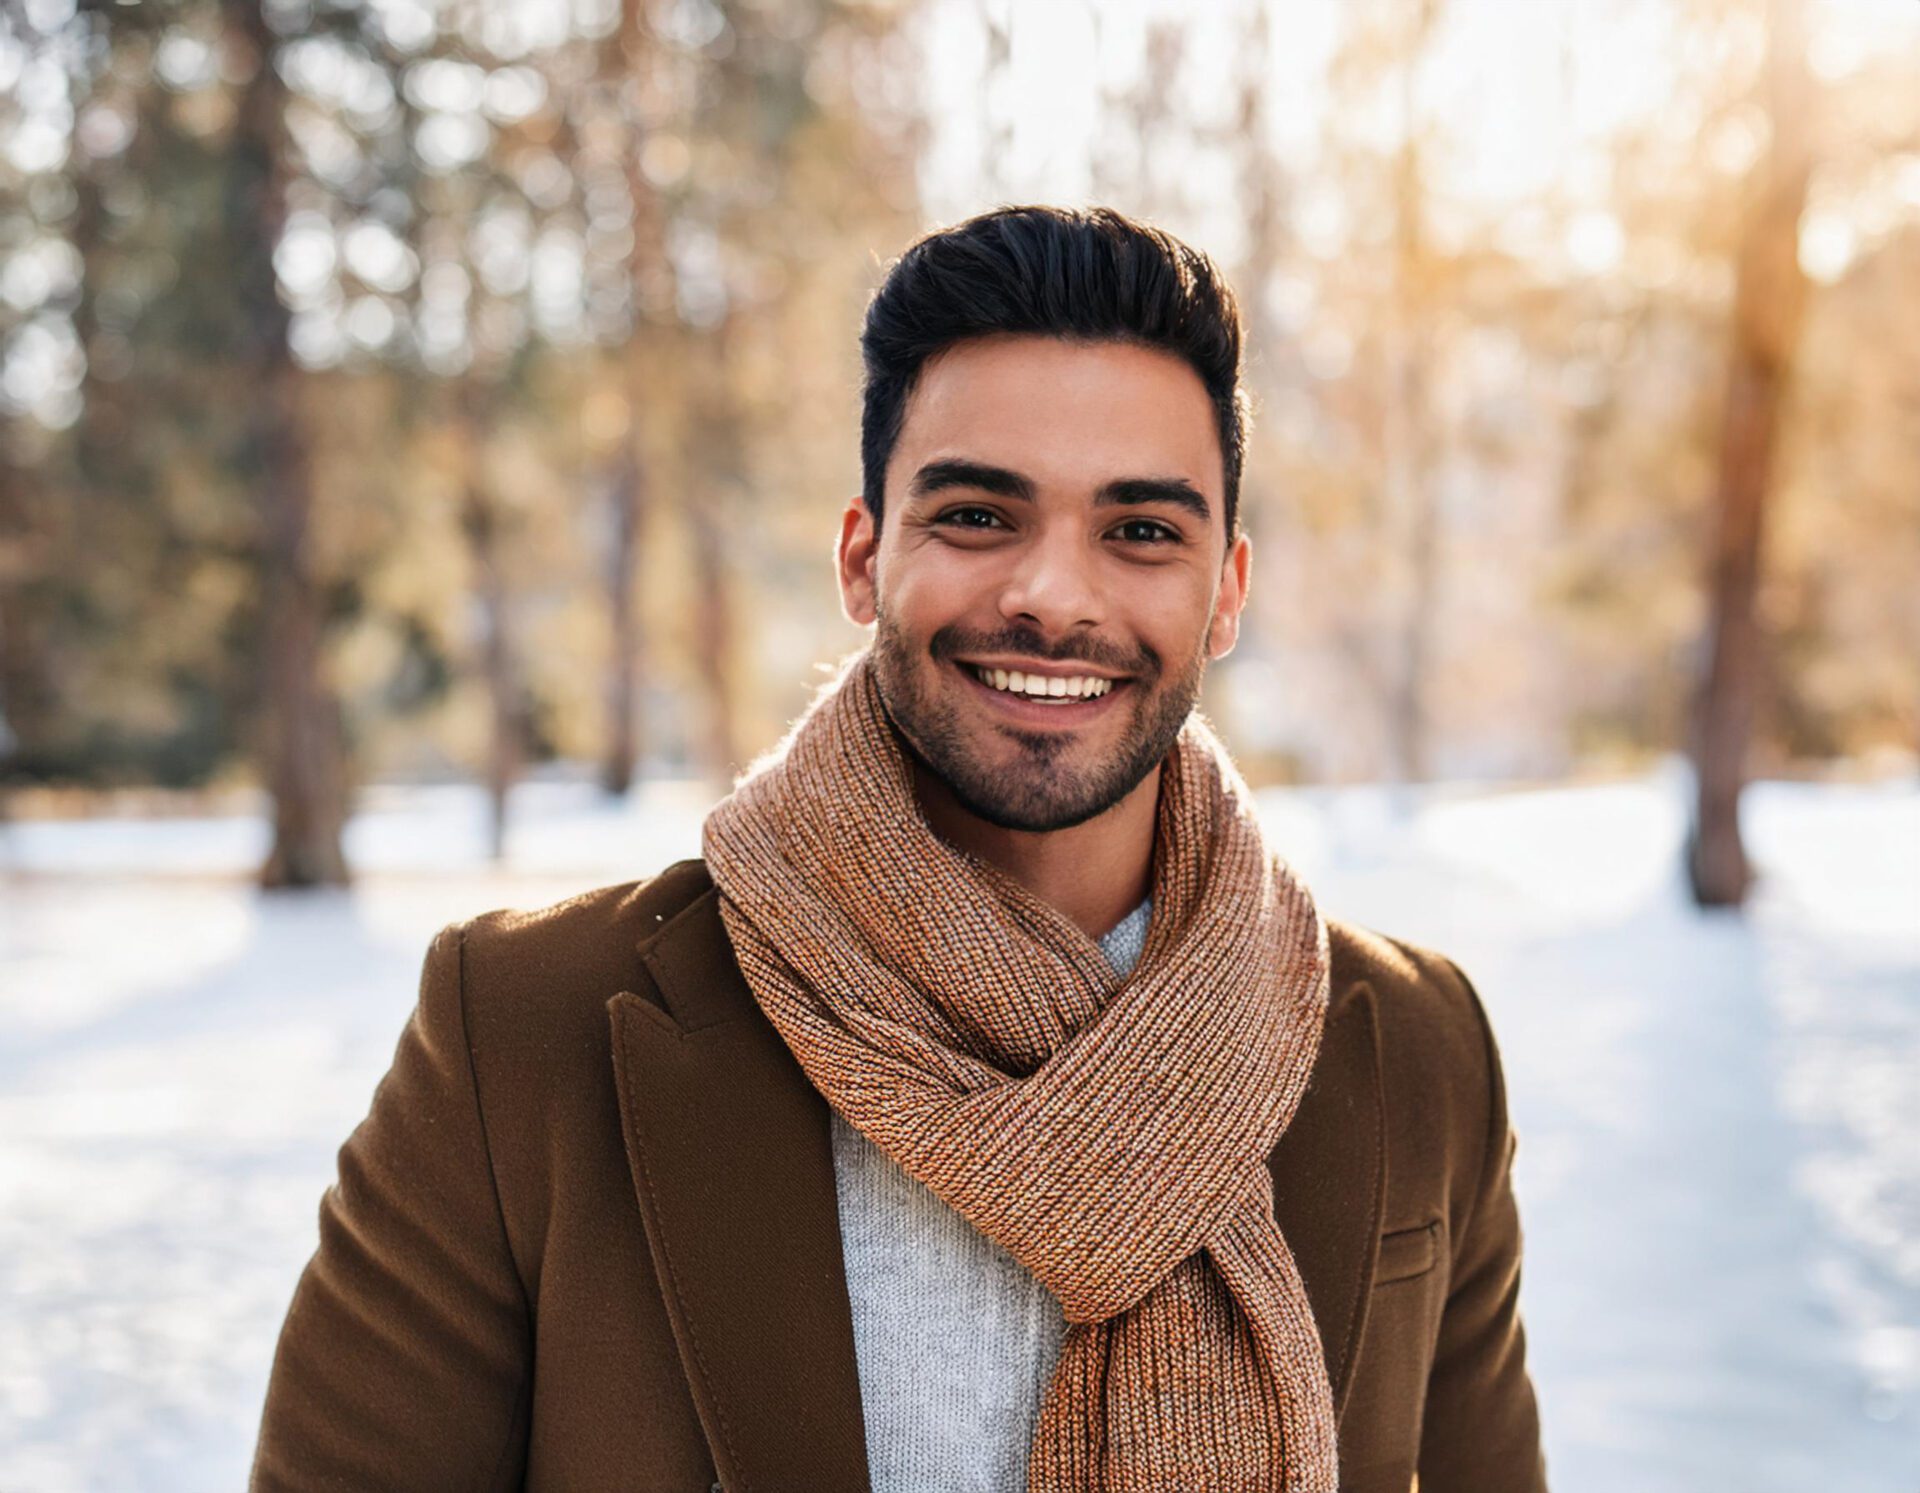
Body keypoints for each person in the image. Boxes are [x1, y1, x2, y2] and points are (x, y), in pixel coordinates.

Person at [251, 206, 1548, 1493]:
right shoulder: (528, 1034)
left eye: (1141, 530)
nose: (1054, 593)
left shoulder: (1419, 1049)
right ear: (865, 558)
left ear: (1227, 592)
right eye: (981, 515)